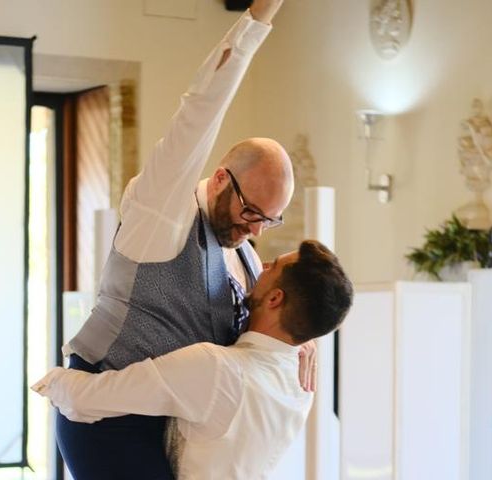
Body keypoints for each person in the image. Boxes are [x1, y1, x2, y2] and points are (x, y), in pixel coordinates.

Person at [56, 1, 317, 478]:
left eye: (269, 220)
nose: (256, 229)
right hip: (106, 419)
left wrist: (301, 340)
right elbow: (198, 112)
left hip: (171, 422)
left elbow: (269, 329)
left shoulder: (245, 258)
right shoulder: (162, 214)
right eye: (251, 211)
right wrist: (259, 19)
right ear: (220, 179)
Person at [34, 240, 354, 479]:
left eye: (272, 266)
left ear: (275, 298)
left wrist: (52, 380)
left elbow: (86, 399)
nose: (261, 267)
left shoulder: (217, 369)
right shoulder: (302, 386)